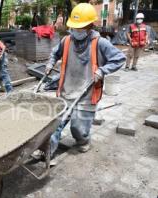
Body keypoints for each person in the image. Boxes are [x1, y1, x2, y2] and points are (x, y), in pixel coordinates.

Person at [46, 3, 126, 154]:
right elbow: (54, 53)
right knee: (56, 123)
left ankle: (83, 140)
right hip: (67, 89)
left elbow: (119, 58)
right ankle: (48, 149)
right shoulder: (67, 40)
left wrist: (103, 71)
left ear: (90, 25)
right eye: (74, 27)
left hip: (87, 93)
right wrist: (50, 63)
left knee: (78, 126)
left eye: (80, 27)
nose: (76, 30)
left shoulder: (100, 42)